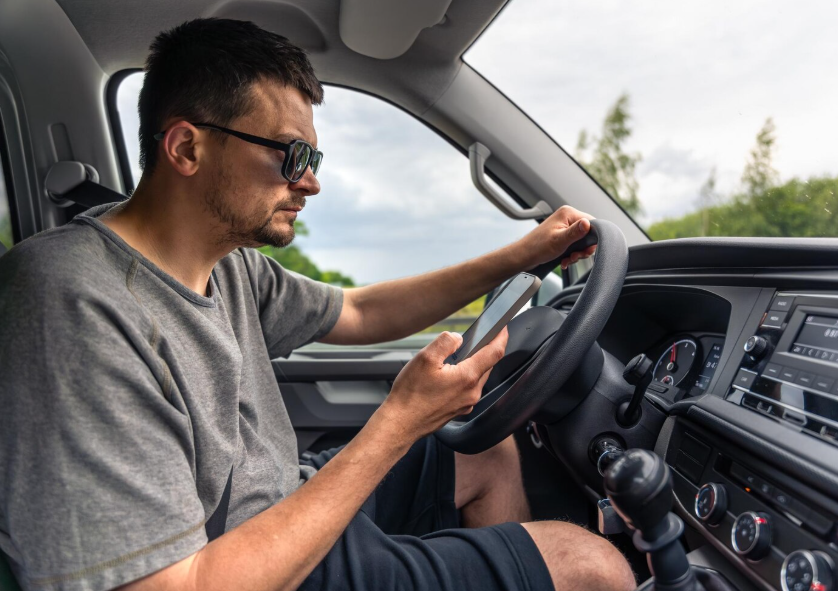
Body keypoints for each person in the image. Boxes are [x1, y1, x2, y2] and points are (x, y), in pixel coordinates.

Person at [0, 18, 634, 591]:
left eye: (315, 157)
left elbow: (360, 312)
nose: (311, 181)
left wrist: (517, 256)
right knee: (591, 566)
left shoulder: (232, 269)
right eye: (291, 155)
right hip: (245, 568)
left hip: (287, 508)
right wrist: (398, 422)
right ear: (187, 148)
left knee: (482, 447)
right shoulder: (73, 304)